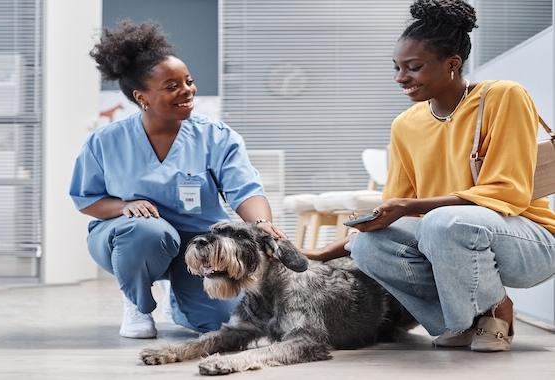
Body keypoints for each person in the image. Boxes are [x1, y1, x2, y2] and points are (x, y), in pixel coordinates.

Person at [304, 0, 555, 352]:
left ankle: (497, 309)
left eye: (414, 67)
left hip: (529, 242)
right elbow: (392, 213)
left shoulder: (501, 96)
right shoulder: (405, 125)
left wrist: (411, 205)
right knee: (367, 245)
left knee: (443, 221)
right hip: (452, 239)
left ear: (452, 64)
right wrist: (320, 254)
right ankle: (467, 320)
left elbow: (507, 192)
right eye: (397, 68)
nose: (400, 78)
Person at [69, 20, 285, 339]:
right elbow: (87, 200)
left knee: (222, 323)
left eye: (188, 81)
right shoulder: (106, 141)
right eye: (172, 86)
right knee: (147, 232)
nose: (187, 91)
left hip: (199, 241)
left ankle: (182, 299)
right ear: (142, 97)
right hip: (131, 240)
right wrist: (124, 206)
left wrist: (262, 223)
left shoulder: (217, 137)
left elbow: (245, 190)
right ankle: (138, 302)